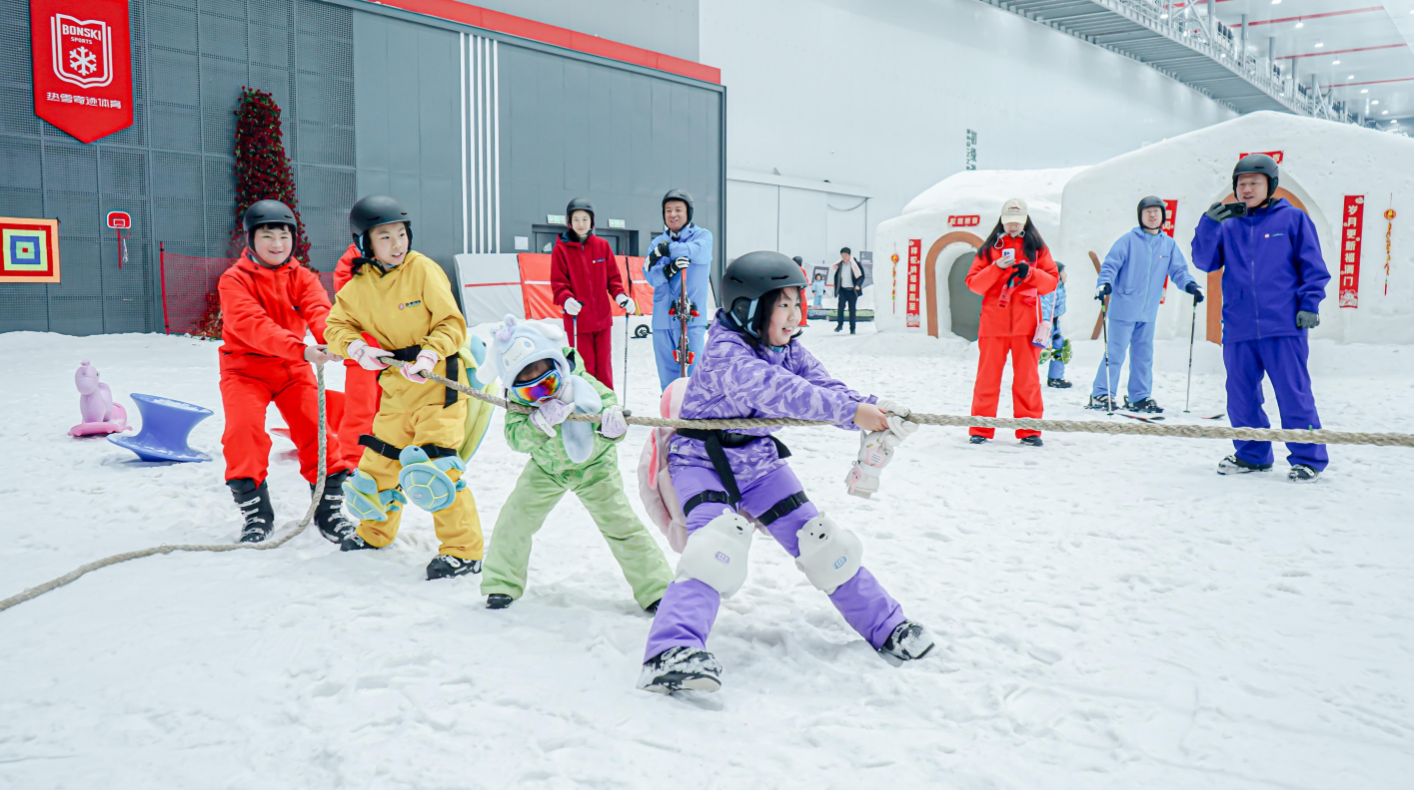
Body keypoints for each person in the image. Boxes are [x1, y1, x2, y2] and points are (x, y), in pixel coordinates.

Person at [637, 251, 934, 694]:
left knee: (821, 541)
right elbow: (787, 393)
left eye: (799, 304)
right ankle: (669, 651)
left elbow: (823, 385)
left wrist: (876, 409)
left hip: (756, 460)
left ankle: (887, 625)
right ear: (749, 309)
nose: (796, 316)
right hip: (702, 460)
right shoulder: (726, 353)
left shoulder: (783, 347)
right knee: (714, 546)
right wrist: (854, 413)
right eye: (785, 305)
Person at [324, 195, 487, 578]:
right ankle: (374, 532)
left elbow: (451, 322)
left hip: (439, 382)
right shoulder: (358, 286)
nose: (398, 244)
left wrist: (430, 355)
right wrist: (358, 349)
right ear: (365, 243)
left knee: (434, 466)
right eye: (385, 237)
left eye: (401, 234)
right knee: (378, 462)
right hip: (397, 386)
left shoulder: (423, 270)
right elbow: (335, 326)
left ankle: (464, 551)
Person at [479, 316, 673, 611]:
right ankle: (500, 585)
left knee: (621, 524)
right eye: (532, 392)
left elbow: (609, 414)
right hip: (547, 470)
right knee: (513, 521)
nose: (544, 395)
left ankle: (657, 590)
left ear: (558, 365)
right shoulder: (519, 404)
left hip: (595, 468)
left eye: (548, 382)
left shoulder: (585, 384)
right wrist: (538, 422)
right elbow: (516, 439)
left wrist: (612, 425)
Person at [218, 200, 354, 545]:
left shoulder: (302, 277)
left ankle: (329, 509)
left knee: (316, 429)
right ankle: (256, 514)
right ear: (250, 239)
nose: (277, 244)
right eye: (268, 235)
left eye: (284, 235)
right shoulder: (234, 281)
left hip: (292, 370)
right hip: (245, 370)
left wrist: (335, 340)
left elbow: (320, 310)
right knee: (243, 432)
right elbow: (252, 325)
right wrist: (303, 349)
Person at [1192, 154, 1331, 482]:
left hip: (1283, 324)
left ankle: (1308, 457)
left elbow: (1313, 266)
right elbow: (1205, 261)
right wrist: (1207, 223)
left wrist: (1310, 303)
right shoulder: (1227, 224)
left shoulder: (1293, 219)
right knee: (1241, 395)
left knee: (1293, 393)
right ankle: (1252, 455)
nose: (1247, 188)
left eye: (1254, 182)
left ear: (1270, 185)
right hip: (1239, 326)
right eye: (1241, 183)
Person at [1089, 196, 1203, 412]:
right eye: (1147, 212)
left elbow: (1179, 271)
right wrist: (1104, 283)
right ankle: (1102, 394)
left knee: (1143, 356)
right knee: (1115, 352)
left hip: (1148, 313)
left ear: (1163, 216)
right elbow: (1110, 266)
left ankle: (1139, 396)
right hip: (1123, 308)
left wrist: (1190, 285)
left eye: (1156, 212)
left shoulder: (1168, 244)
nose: (1152, 215)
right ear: (1141, 216)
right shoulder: (1128, 241)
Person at [964, 198, 1059, 447]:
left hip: (1027, 326)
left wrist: (1030, 273)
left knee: (1027, 379)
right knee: (987, 378)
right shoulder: (988, 249)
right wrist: (995, 267)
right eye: (1009, 222)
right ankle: (981, 430)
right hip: (993, 325)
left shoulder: (1037, 248)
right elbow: (974, 284)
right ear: (1002, 222)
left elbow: (1051, 282)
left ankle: (1030, 430)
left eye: (1017, 221)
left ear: (1026, 219)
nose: (1013, 226)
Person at [551, 198, 636, 389]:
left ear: (592, 221)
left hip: (602, 320)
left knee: (604, 368)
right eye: (576, 219)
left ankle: (608, 408)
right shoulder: (561, 250)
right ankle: (587, 409)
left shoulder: (602, 246)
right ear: (569, 221)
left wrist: (621, 296)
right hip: (578, 320)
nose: (581, 224)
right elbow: (558, 284)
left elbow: (613, 278)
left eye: (585, 219)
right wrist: (566, 299)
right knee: (585, 367)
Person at [644, 189, 712, 389]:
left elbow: (699, 253)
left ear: (688, 212)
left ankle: (693, 416)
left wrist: (669, 250)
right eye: (668, 210)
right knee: (667, 378)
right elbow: (649, 274)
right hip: (662, 319)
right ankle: (670, 417)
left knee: (694, 377)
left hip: (690, 317)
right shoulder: (656, 242)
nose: (673, 214)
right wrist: (668, 270)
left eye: (678, 210)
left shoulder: (702, 236)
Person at [333, 243, 382, 473]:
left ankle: (386, 455)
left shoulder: (399, 254)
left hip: (393, 349)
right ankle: (352, 459)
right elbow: (344, 292)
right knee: (360, 407)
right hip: (362, 348)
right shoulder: (354, 255)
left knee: (390, 405)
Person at [1043, 263, 1071, 388]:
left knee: (1061, 347)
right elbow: (1045, 307)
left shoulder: (1059, 286)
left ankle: (1055, 377)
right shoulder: (1049, 287)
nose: (1066, 275)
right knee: (1039, 351)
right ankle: (1026, 379)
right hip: (1045, 324)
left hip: (1055, 323)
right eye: (1063, 272)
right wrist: (1045, 325)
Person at [831, 247, 864, 333]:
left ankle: (852, 328)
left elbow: (862, 276)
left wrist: (858, 285)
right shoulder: (840, 265)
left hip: (852, 291)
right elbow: (837, 277)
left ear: (849, 255)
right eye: (842, 255)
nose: (844, 257)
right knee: (840, 307)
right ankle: (840, 325)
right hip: (843, 290)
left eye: (846, 255)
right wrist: (836, 290)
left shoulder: (855, 264)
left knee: (852, 310)